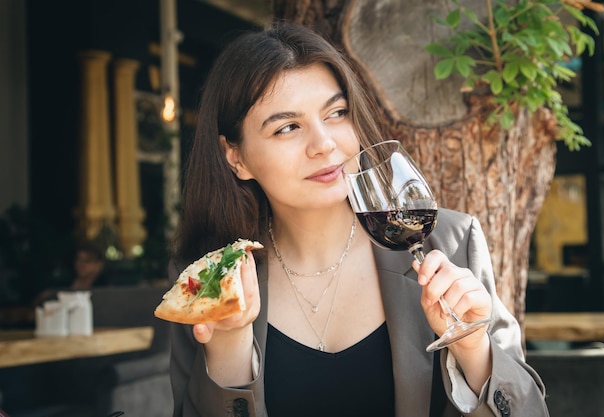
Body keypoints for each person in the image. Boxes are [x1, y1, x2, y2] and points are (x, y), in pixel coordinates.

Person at [168, 21, 549, 417]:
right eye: (287, 127)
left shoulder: (450, 243)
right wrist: (228, 344)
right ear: (236, 157)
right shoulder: (206, 282)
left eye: (336, 113)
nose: (324, 144)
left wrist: (474, 351)